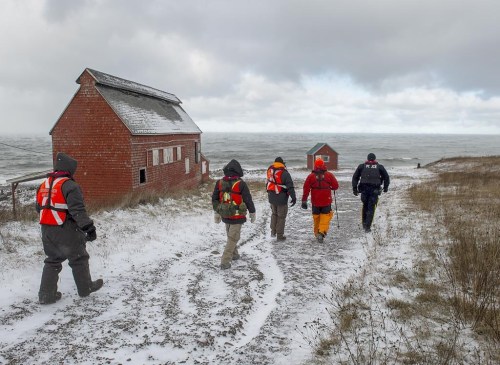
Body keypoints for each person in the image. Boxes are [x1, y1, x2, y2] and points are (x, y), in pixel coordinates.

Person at [36, 152, 103, 304]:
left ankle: (46, 295)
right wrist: (89, 228)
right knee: (79, 258)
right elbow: (78, 211)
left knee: (52, 260)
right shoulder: (70, 186)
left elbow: (38, 208)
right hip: (66, 229)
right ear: (69, 169)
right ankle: (86, 288)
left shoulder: (43, 185)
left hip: (46, 229)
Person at [212, 159, 256, 269]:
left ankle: (235, 254)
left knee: (231, 236)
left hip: (225, 214)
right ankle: (225, 261)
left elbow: (215, 199)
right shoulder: (241, 184)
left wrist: (217, 212)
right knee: (232, 238)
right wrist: (252, 212)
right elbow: (248, 199)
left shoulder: (220, 182)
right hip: (237, 216)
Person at [301, 158, 339, 243]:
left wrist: (304, 200)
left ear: (315, 165)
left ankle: (317, 233)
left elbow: (306, 188)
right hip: (326, 201)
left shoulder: (311, 176)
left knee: (316, 218)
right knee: (325, 218)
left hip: (315, 202)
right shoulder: (329, 175)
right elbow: (335, 186)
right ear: (323, 165)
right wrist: (330, 187)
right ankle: (321, 233)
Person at [352, 153, 390, 233]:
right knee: (371, 208)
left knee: (365, 206)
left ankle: (364, 223)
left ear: (367, 158)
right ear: (375, 159)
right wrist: (385, 187)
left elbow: (355, 177)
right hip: (374, 190)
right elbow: (386, 177)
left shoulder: (362, 166)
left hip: (364, 190)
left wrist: (355, 189)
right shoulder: (379, 167)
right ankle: (367, 226)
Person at [266, 157, 296, 241]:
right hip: (281, 197)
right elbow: (290, 186)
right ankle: (279, 235)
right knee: (281, 216)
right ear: (282, 163)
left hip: (271, 196)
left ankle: (273, 232)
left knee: (274, 214)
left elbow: (268, 182)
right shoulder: (284, 173)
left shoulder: (270, 170)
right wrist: (293, 197)